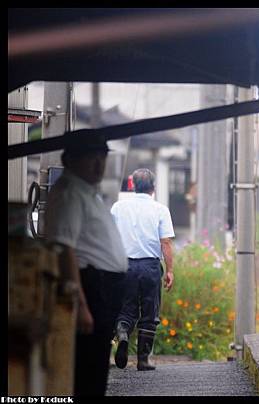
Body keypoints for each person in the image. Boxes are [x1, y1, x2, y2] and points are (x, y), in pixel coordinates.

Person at [45, 135, 129, 396]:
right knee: (87, 367)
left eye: (102, 158)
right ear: (69, 160)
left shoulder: (86, 192)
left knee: (95, 363)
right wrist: (80, 305)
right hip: (90, 286)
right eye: (92, 158)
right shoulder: (70, 192)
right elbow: (63, 248)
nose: (99, 164)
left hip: (103, 288)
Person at [111, 168, 175, 371]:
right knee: (149, 313)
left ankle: (122, 333)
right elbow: (165, 243)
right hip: (150, 266)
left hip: (124, 265)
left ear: (132, 186)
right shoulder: (160, 210)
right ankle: (143, 360)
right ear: (153, 188)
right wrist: (170, 270)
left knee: (125, 309)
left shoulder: (118, 208)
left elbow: (110, 237)